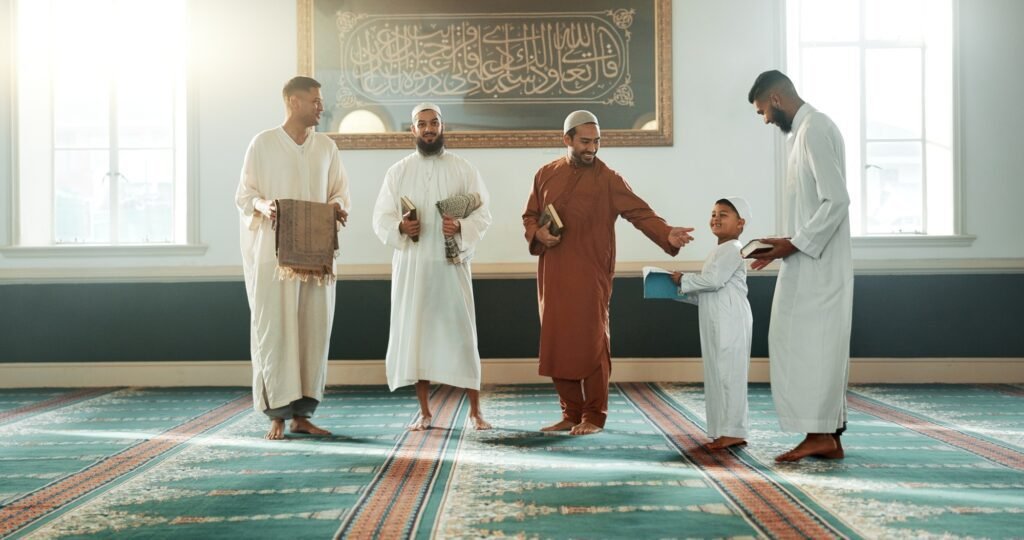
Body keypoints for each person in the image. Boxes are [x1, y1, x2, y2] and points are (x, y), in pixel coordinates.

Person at [523, 110, 694, 436]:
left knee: (593, 343)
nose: (593, 148)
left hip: (591, 274)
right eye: (585, 141)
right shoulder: (545, 173)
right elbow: (530, 215)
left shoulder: (609, 179)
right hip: (552, 272)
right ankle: (570, 414)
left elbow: (639, 212)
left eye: (597, 141)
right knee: (558, 340)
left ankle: (594, 416)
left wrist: (667, 233)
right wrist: (538, 234)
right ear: (567, 140)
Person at [235, 76, 351, 440]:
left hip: (316, 258)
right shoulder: (263, 144)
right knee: (277, 333)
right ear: (293, 102)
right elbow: (245, 195)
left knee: (312, 333)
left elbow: (340, 194)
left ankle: (303, 415)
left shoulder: (326, 147)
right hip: (276, 258)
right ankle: (277, 415)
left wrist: (337, 209)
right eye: (315, 101)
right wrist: (263, 205)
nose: (321, 107)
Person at [747, 69, 854, 462]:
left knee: (812, 348)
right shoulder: (806, 132)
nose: (765, 120)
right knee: (806, 344)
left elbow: (837, 201)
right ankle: (827, 436)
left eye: (763, 111)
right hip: (809, 259)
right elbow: (814, 207)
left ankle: (820, 435)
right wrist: (783, 242)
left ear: (776, 99)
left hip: (819, 266)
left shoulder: (813, 129)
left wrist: (792, 243)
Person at [372, 103, 492, 431]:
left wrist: (461, 229)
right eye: (422, 124)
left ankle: (475, 412)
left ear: (442, 127)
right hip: (413, 267)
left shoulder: (463, 169)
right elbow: (380, 217)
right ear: (412, 130)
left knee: (462, 335)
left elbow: (483, 213)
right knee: (417, 336)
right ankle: (425, 413)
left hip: (451, 265)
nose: (428, 129)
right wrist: (400, 228)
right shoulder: (397, 172)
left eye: (434, 123)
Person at [671, 197, 753, 451]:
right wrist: (681, 291)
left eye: (724, 214)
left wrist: (683, 279)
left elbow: (714, 280)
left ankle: (734, 431)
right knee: (718, 374)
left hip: (730, 319)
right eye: (713, 213)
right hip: (717, 317)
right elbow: (711, 289)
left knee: (729, 374)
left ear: (740, 223)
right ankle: (722, 430)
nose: (716, 218)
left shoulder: (732, 247)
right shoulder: (720, 250)